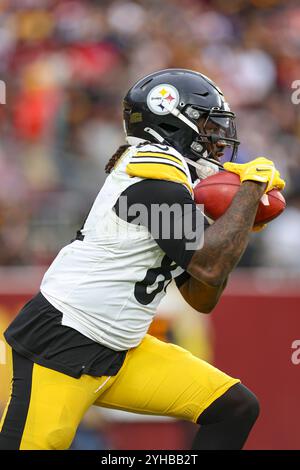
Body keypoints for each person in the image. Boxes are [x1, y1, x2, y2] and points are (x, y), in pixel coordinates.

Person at [0, 69, 285, 450]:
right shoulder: (152, 180)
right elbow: (210, 265)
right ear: (172, 121)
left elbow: (203, 297)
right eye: (207, 125)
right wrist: (249, 193)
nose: (217, 140)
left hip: (122, 350)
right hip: (63, 345)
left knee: (234, 408)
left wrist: (230, 223)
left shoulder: (175, 184)